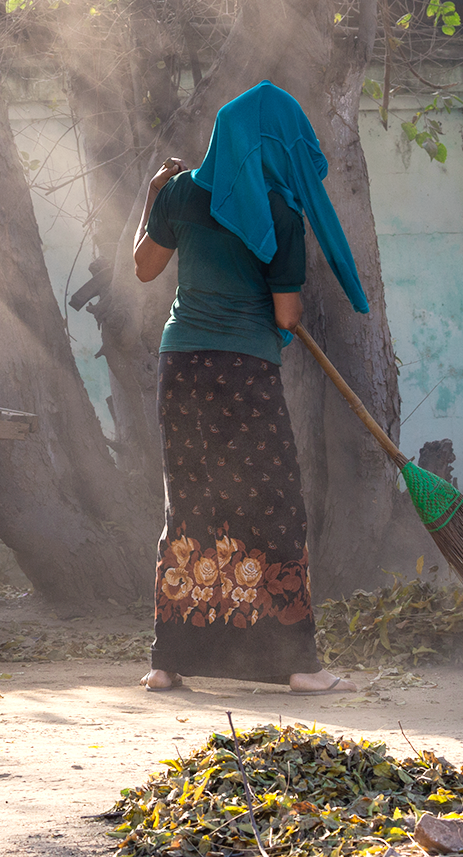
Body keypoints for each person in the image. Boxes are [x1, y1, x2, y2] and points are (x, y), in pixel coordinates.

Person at [131, 82, 369, 694]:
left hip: (181, 366)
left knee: (189, 501)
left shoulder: (180, 193)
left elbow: (144, 266)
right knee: (274, 505)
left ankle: (168, 662)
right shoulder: (281, 214)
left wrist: (152, 196)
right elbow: (287, 316)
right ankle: (296, 665)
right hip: (244, 370)